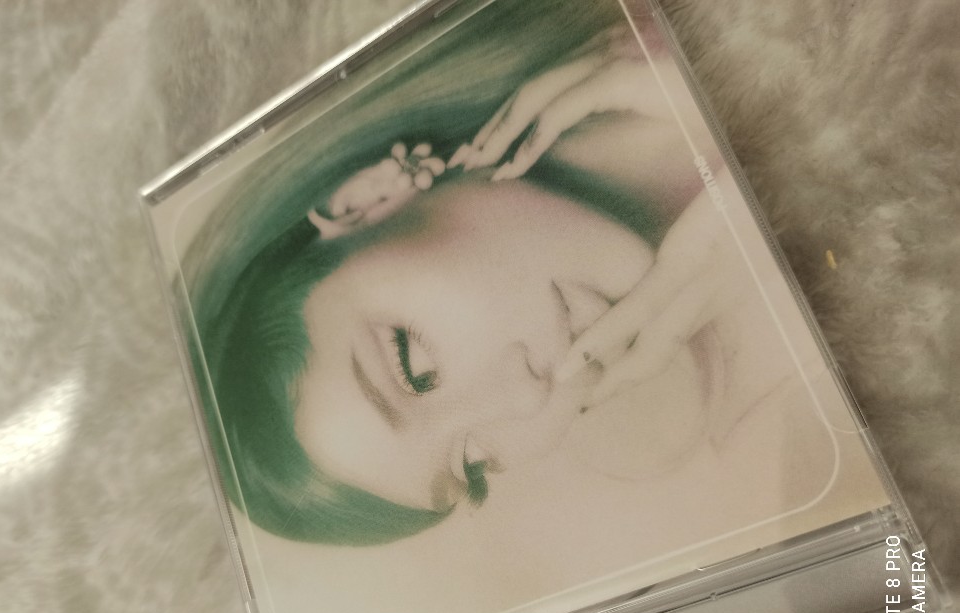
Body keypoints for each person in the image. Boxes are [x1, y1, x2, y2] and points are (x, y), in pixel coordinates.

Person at [193, 16, 830, 545]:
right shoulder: (800, 381)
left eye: (413, 365)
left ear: (366, 200)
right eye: (472, 465)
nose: (526, 400)